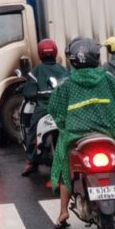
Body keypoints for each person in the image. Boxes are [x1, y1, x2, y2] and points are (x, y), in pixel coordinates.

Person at [49, 37, 115, 229]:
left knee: (64, 165)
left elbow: (55, 110)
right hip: (109, 132)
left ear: (72, 60)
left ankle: (63, 212)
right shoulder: (109, 79)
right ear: (96, 57)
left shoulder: (65, 84)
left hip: (75, 135)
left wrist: (64, 126)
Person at [20, 39, 69, 177]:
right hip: (62, 108)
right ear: (55, 52)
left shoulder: (35, 72)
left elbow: (28, 93)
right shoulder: (64, 70)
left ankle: (31, 161)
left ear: (40, 53)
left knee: (32, 131)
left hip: (43, 108)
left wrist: (33, 94)